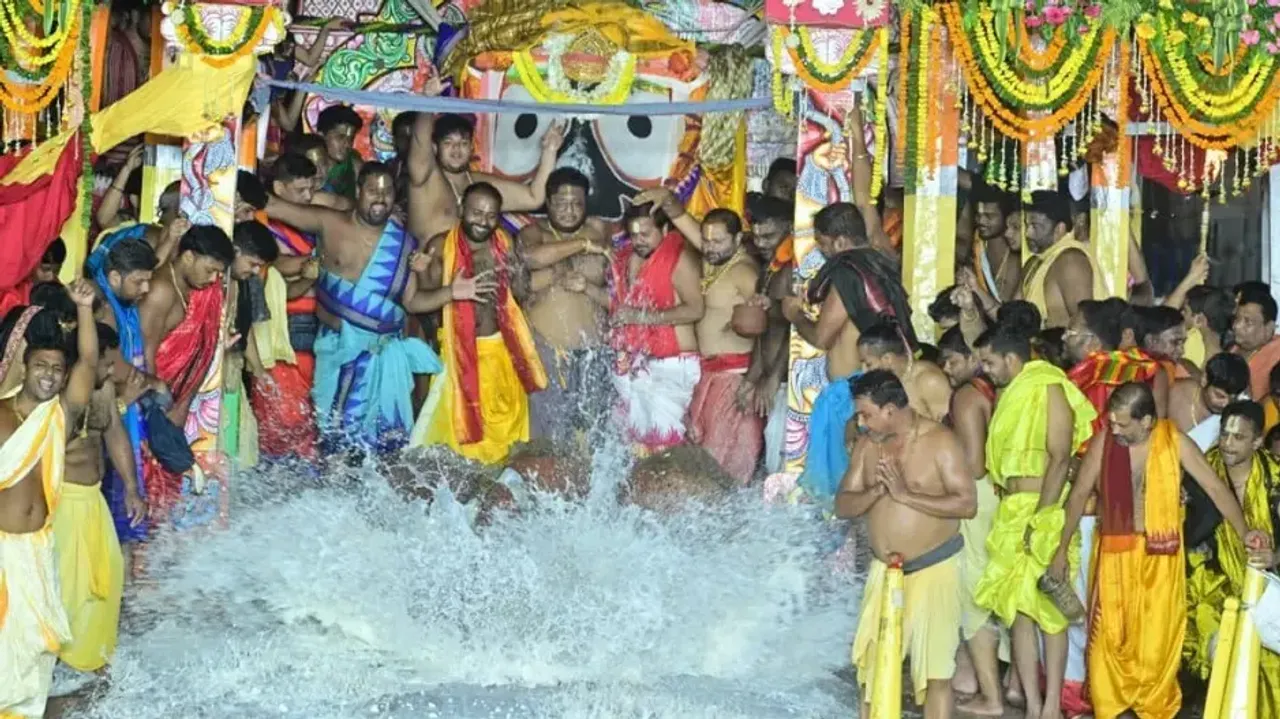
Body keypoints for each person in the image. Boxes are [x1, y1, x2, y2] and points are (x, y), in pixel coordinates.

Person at [1049, 383, 1268, 719]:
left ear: (1148, 420)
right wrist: (1060, 551)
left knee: (1155, 644)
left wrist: (1245, 533)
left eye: (1123, 424)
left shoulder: (1173, 441)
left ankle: (1150, 710)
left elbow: (1214, 487)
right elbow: (1078, 496)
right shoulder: (1104, 442)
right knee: (1109, 643)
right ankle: (1114, 711)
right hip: (1113, 555)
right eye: (1113, 422)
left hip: (1160, 558)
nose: (1115, 430)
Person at [265, 162, 441, 454]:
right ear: (358, 191)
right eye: (373, 190)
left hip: (383, 359)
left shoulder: (405, 244)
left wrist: (451, 291)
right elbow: (273, 206)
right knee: (332, 446)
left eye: (387, 192)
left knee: (385, 449)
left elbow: (411, 303)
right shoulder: (328, 222)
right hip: (336, 352)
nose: (380, 198)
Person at [973, 323, 1097, 719]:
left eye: (990, 361)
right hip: (1012, 508)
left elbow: (1061, 457)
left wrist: (1044, 519)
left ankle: (1051, 705)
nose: (986, 370)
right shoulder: (1010, 393)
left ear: (1012, 358)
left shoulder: (1048, 385)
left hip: (1043, 507)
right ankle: (1030, 702)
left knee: (1049, 611)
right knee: (1017, 611)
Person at [837, 370, 976, 718]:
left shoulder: (940, 441)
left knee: (936, 675)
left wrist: (905, 494)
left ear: (890, 410)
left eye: (865, 413)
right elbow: (842, 505)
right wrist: (876, 492)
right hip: (883, 571)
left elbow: (966, 504)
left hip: (934, 568)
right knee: (871, 670)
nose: (860, 421)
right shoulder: (869, 445)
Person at [0, 291, 98, 719]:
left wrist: (84, 308)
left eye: (57, 369)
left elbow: (90, 362)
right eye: (41, 365)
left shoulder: (58, 415)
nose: (49, 375)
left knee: (35, 648)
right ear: (25, 366)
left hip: (37, 552)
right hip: (2, 554)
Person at [783, 202, 915, 504]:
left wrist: (794, 315)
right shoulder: (881, 265)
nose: (822, 252)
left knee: (843, 493)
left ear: (841, 241)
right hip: (869, 392)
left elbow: (821, 336)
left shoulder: (848, 274)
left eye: (823, 244)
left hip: (850, 397)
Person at [408, 182, 546, 464]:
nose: (483, 221)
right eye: (476, 212)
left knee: (504, 444)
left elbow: (519, 296)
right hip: (457, 359)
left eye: (490, 215)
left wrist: (517, 273)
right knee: (449, 444)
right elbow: (419, 305)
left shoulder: (504, 243)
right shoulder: (440, 247)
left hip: (500, 354)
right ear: (461, 210)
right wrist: (439, 284)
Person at [53, 320, 142, 688]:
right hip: (63, 504)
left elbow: (115, 435)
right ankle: (59, 664)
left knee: (108, 577)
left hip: (94, 500)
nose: (112, 371)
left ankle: (95, 660)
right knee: (68, 588)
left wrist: (132, 488)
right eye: (107, 363)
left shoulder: (104, 392)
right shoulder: (59, 396)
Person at [1183, 400, 1280, 715]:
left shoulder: (1275, 479)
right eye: (1225, 434)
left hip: (1265, 591)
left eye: (1239, 438)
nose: (1227, 444)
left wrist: (1274, 556)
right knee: (1218, 654)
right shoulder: (1198, 472)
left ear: (1256, 441)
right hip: (1210, 586)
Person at [138, 225, 237, 527]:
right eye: (210, 270)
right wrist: (150, 422)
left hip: (167, 414)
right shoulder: (161, 291)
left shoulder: (187, 290)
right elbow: (143, 359)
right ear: (189, 257)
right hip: (147, 413)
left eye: (219, 274)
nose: (213, 280)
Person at [517, 167, 614, 446]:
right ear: (547, 203)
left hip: (594, 356)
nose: (570, 211)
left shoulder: (598, 229)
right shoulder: (534, 233)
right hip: (548, 354)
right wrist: (582, 245)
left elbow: (618, 284)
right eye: (562, 203)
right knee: (549, 441)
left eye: (577, 204)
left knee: (595, 440)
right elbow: (532, 258)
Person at [936, 326, 1003, 716]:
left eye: (953, 360)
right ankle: (993, 686)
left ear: (976, 356)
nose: (946, 368)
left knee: (972, 596)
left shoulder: (966, 396)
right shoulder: (997, 390)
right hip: (995, 496)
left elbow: (974, 464)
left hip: (974, 498)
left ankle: (991, 699)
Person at [607, 201, 704, 453]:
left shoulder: (680, 259)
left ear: (664, 229)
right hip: (637, 363)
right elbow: (621, 309)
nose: (639, 241)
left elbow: (695, 309)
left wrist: (642, 317)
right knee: (635, 447)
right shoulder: (626, 258)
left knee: (667, 445)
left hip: (673, 365)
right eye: (634, 234)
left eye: (645, 234)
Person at [86, 236, 161, 550]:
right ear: (115, 277)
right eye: (139, 281)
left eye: (148, 281)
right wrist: (151, 384)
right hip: (104, 412)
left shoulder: (123, 302)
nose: (145, 290)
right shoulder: (103, 308)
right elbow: (112, 367)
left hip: (121, 408)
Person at [685, 209, 764, 484]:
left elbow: (768, 328)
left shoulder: (744, 272)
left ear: (738, 238)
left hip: (735, 376)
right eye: (706, 241)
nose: (710, 247)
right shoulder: (714, 265)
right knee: (701, 450)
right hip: (708, 374)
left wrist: (753, 380)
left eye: (718, 241)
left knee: (723, 459)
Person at [407, 112, 564, 242]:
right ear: (435, 147)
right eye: (448, 143)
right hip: (430, 274)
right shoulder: (426, 178)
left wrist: (550, 150)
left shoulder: (479, 184)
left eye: (463, 143)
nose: (456, 150)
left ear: (471, 147)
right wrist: (427, 101)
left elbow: (534, 198)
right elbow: (420, 145)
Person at [744, 195, 794, 474]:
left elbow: (793, 329)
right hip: (771, 379)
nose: (761, 243)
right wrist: (752, 378)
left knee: (779, 464)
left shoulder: (792, 270)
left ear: (788, 226)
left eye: (769, 236)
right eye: (757, 236)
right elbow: (765, 333)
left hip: (785, 384)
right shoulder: (769, 267)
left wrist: (773, 378)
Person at [1017, 191, 1103, 328]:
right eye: (1027, 225)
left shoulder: (1071, 262)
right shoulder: (1035, 263)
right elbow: (1012, 319)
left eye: (1035, 226)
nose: (1028, 233)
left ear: (1060, 229)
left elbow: (1085, 328)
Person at [857, 319, 952, 422]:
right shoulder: (882, 385)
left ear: (887, 359)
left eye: (868, 364)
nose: (864, 371)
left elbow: (951, 429)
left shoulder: (929, 380)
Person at [1169, 352, 1250, 451]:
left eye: (1233, 399)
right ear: (1204, 380)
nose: (1226, 404)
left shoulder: (1242, 414)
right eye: (1220, 396)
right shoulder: (1174, 394)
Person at [969, 185, 1020, 303]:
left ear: (1007, 216)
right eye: (978, 214)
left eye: (989, 216)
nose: (981, 221)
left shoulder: (1020, 251)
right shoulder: (977, 244)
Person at [1233, 283, 1280, 401]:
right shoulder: (1232, 350)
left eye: (1247, 322)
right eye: (1236, 319)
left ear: (1269, 328)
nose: (1236, 326)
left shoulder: (1277, 353)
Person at [315, 103, 365, 199]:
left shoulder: (355, 167)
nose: (347, 144)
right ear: (320, 136)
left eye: (351, 138)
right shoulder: (307, 164)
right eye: (340, 137)